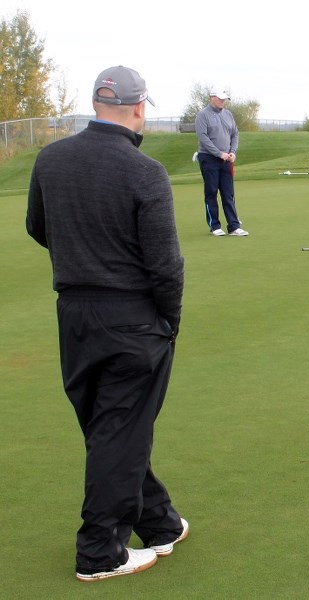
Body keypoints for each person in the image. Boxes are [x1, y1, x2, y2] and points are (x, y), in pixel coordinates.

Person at [26, 65, 188, 581]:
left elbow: (38, 226)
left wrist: (82, 260)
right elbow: (165, 264)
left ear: (96, 104)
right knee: (117, 431)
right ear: (139, 108)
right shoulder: (143, 170)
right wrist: (170, 319)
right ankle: (100, 550)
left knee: (108, 428)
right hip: (132, 319)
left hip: (74, 315)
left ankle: (158, 522)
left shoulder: (50, 158)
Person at [194, 88, 249, 237]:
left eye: (224, 98)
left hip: (227, 159)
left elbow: (235, 134)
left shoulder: (228, 114)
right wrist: (219, 153)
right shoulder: (203, 115)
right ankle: (215, 225)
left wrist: (233, 152)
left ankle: (234, 226)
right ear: (212, 97)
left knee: (228, 193)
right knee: (211, 192)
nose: (223, 101)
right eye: (220, 98)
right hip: (209, 158)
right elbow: (203, 138)